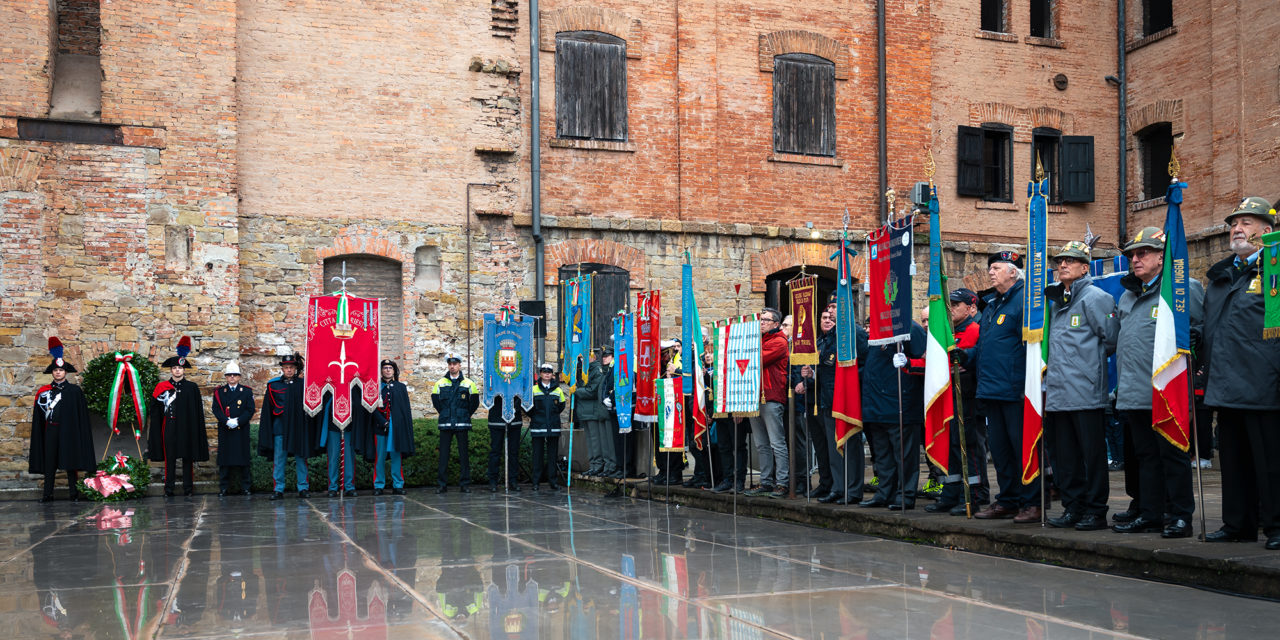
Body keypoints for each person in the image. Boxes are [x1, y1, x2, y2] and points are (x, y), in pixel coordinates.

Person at [1112, 227, 1204, 537]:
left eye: (1142, 254)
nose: (1135, 260)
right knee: (1146, 458)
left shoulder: (1181, 288)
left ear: (1161, 257)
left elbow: (1199, 333)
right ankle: (1151, 513)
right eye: (1131, 255)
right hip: (1134, 391)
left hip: (1167, 390)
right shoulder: (1127, 296)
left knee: (1173, 456)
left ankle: (1179, 515)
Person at [1200, 197, 1280, 550]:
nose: (1237, 229)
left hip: (1264, 382)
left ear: (1267, 230)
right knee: (1232, 461)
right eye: (1234, 223)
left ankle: (1276, 526)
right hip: (1226, 383)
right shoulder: (1221, 276)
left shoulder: (1275, 268)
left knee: (1270, 465)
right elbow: (1213, 325)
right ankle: (1237, 524)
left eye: (1247, 223)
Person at [1042, 239, 1118, 531]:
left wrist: (1088, 368)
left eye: (1070, 261)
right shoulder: (1057, 301)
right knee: (1066, 458)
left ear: (1085, 268)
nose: (1062, 265)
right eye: (1060, 261)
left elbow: (1111, 339)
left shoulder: (1094, 298)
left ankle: (1096, 511)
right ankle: (1073, 507)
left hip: (1086, 392)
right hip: (1059, 392)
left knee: (1092, 458)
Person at [964, 251, 1043, 523]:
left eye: (996, 267)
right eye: (990, 268)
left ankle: (1031, 502)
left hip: (1016, 390)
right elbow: (986, 348)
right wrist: (964, 355)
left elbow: (1032, 348)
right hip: (991, 389)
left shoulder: (1025, 301)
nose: (990, 272)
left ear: (1013, 272)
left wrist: (1026, 383)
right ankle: (1008, 500)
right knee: (1000, 451)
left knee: (1023, 449)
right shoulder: (993, 304)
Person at [926, 288, 989, 515]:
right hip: (948, 397)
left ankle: (974, 493)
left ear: (971, 307)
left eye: (956, 305)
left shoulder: (976, 330)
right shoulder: (947, 332)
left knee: (970, 446)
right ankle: (951, 491)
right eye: (949, 304)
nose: (951, 308)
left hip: (968, 398)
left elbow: (979, 363)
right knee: (951, 444)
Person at [857, 318, 926, 511]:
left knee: (904, 455)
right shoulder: (878, 329)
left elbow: (926, 360)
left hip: (900, 403)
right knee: (882, 456)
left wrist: (909, 362)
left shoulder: (910, 328)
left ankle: (905, 494)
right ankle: (884, 493)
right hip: (875, 405)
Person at [808, 301, 862, 504]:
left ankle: (853, 490)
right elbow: (826, 371)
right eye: (828, 308)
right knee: (834, 449)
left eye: (833, 308)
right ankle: (839, 488)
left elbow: (862, 364)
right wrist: (812, 374)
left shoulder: (854, 333)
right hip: (829, 400)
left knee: (850, 447)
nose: (829, 312)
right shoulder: (828, 338)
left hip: (847, 399)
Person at [29, 337, 95, 502]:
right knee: (49, 461)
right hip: (50, 430)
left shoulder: (75, 392)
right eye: (55, 370)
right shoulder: (43, 392)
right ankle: (48, 493)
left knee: (71, 461)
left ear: (66, 372)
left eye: (61, 370)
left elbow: (81, 417)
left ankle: (74, 492)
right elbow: (39, 416)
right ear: (52, 372)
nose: (58, 372)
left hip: (69, 431)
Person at [149, 336, 209, 497]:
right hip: (169, 428)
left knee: (187, 459)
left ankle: (188, 489)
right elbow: (155, 410)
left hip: (187, 428)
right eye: (175, 368)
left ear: (183, 370)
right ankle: (169, 489)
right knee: (170, 459)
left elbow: (197, 412)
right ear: (171, 370)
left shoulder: (192, 388)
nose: (177, 370)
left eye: (180, 368)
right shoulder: (163, 388)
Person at [258, 353, 319, 500]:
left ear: (295, 368)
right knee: (279, 459)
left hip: (298, 427)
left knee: (301, 457)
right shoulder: (274, 385)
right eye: (286, 367)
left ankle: (303, 487)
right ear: (282, 369)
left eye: (291, 367)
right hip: (280, 427)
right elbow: (269, 410)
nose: (289, 370)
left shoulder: (303, 385)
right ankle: (278, 489)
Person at [745, 308, 790, 497]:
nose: (761, 322)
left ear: (775, 324)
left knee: (776, 442)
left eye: (765, 320)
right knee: (761, 443)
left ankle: (782, 482)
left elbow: (756, 359)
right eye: (760, 319)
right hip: (755, 397)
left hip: (771, 396)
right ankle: (765, 481)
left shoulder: (779, 341)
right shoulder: (759, 341)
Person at [431, 353, 480, 493]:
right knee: (443, 455)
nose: (452, 366)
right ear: (448, 365)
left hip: (462, 423)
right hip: (446, 423)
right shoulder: (439, 383)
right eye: (450, 364)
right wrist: (445, 414)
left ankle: (465, 484)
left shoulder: (469, 383)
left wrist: (465, 414)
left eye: (455, 364)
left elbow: (474, 403)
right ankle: (442, 484)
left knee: (464, 455)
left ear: (459, 365)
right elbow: (436, 402)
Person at [369, 359, 415, 496]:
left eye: (390, 368)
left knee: (396, 457)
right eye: (385, 368)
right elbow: (371, 408)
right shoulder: (375, 387)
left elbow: (404, 409)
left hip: (396, 429)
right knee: (380, 457)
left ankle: (398, 484)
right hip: (380, 427)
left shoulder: (400, 387)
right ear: (381, 370)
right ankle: (378, 485)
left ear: (394, 371)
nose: (388, 370)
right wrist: (383, 422)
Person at [212, 361, 255, 497]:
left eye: (234, 375)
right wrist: (226, 421)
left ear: (239, 377)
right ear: (225, 377)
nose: (232, 377)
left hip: (240, 429)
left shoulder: (246, 391)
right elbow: (216, 409)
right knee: (225, 460)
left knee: (243, 460)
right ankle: (224, 488)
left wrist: (238, 421)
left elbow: (250, 409)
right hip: (225, 430)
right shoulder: (219, 392)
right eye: (229, 375)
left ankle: (246, 487)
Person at [575, 348, 615, 478]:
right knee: (591, 442)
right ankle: (594, 465)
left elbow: (592, 390)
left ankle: (600, 465)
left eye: (585, 357)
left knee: (597, 441)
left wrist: (576, 390)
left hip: (593, 411)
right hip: (585, 411)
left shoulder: (596, 370)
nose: (582, 360)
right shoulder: (584, 370)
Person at [529, 363, 567, 491]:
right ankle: (536, 482)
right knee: (537, 456)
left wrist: (553, 416)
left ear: (552, 375)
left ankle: (553, 481)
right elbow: (528, 407)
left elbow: (561, 406)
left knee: (552, 456)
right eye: (544, 372)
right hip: (538, 426)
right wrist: (535, 417)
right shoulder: (533, 389)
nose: (547, 374)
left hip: (553, 426)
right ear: (540, 374)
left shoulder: (558, 390)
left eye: (549, 372)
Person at [487, 394, 523, 492]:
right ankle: (493, 481)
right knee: (495, 452)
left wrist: (517, 405)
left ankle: (513, 481)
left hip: (515, 417)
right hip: (496, 416)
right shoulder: (494, 378)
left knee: (513, 452)